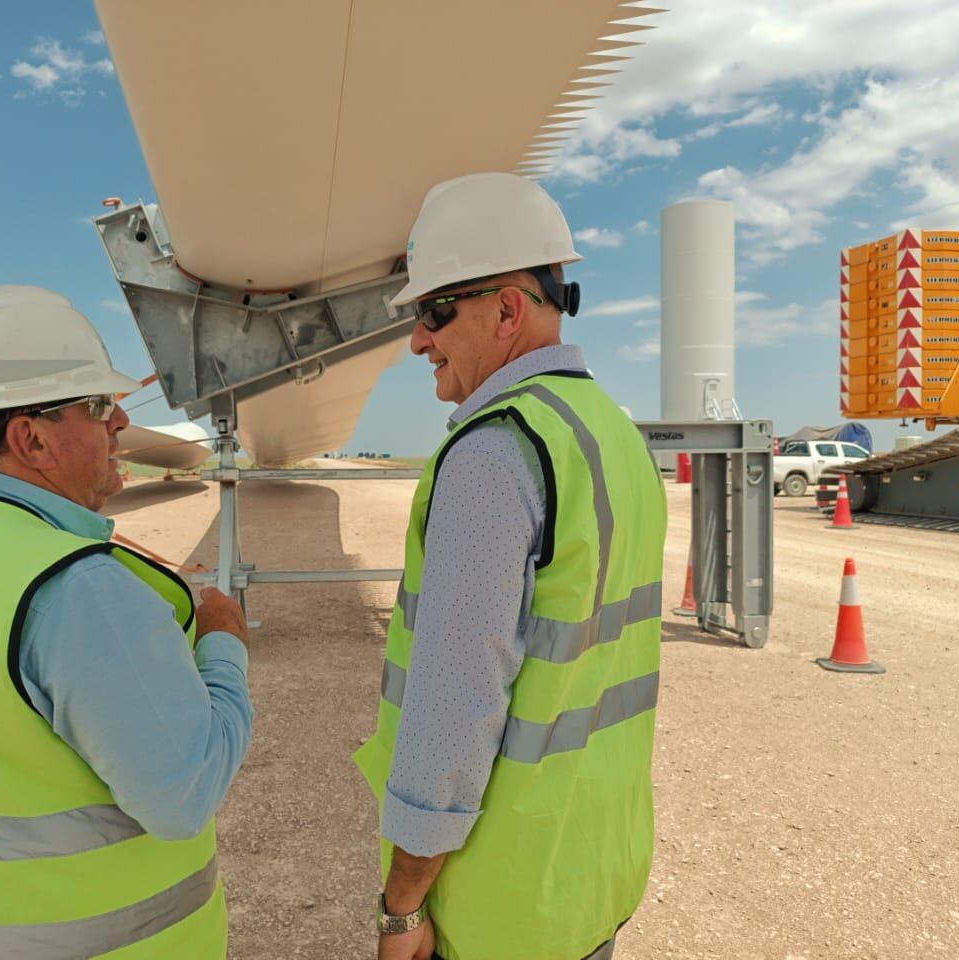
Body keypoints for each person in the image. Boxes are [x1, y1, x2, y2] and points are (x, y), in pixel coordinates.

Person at [0, 285, 252, 959]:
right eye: (95, 405)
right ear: (30, 438)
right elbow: (185, 795)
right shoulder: (75, 589)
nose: (120, 420)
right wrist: (224, 645)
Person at [354, 173, 667, 960]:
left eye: (432, 312)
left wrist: (401, 905)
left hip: (498, 906)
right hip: (588, 871)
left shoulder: (494, 452)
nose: (418, 340)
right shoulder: (613, 435)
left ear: (506, 309)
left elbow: (455, 707)